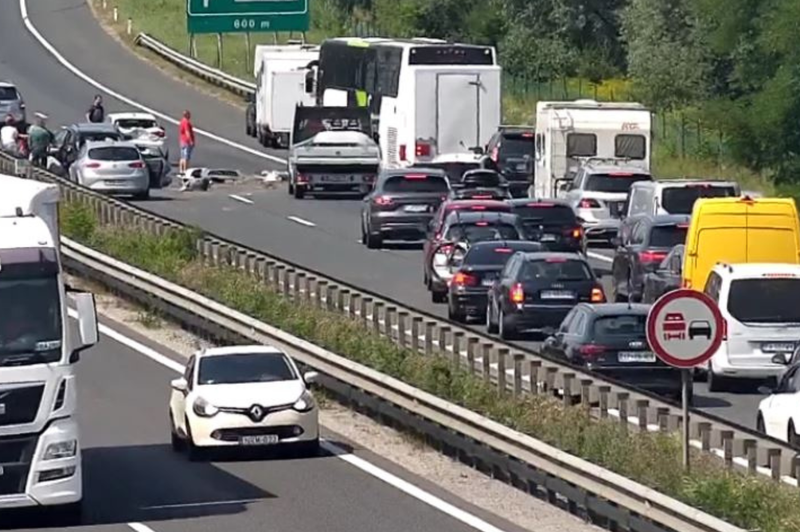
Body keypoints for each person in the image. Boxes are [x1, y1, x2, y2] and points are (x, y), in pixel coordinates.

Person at [178, 110, 195, 174]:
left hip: (182, 141)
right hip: (186, 142)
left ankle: (181, 169)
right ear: (187, 115)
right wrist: (190, 141)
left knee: (182, 156)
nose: (190, 116)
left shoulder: (182, 121)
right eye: (189, 114)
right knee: (186, 157)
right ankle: (185, 170)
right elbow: (187, 132)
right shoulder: (186, 122)